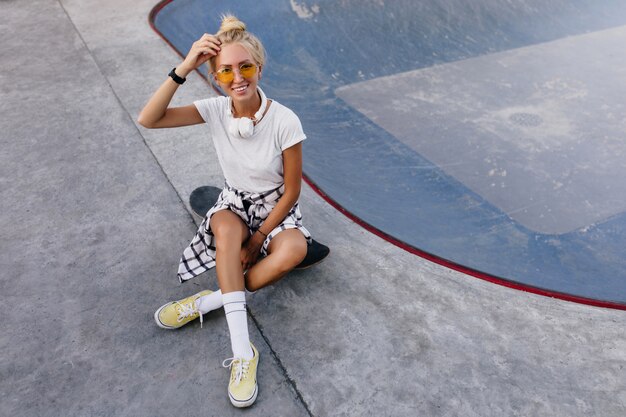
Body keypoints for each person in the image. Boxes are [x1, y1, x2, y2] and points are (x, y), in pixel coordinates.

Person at [137, 14, 312, 408]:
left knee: (293, 252)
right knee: (228, 235)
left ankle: (209, 301)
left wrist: (262, 236)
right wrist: (184, 68)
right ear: (215, 76)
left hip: (274, 208)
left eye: (245, 67)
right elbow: (148, 119)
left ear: (259, 68)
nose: (237, 78)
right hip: (233, 203)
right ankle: (243, 352)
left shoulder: (285, 120)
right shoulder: (216, 109)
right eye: (226, 71)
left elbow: (292, 192)